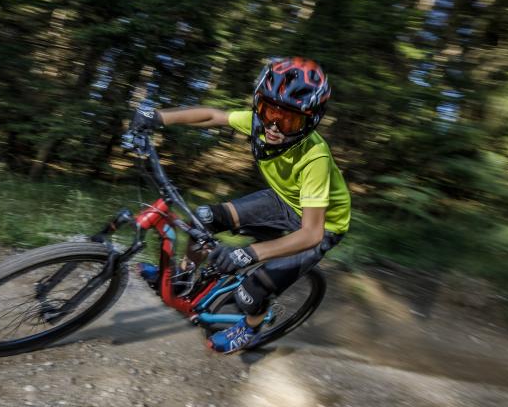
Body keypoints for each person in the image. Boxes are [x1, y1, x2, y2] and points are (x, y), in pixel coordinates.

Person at [130, 57, 351, 354]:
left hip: (321, 225)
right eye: (269, 110)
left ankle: (251, 326)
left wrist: (249, 253)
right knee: (204, 219)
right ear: (259, 103)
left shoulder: (315, 158)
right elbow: (212, 116)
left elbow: (311, 234)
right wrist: (157, 117)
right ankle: (182, 278)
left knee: (253, 291)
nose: (274, 126)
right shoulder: (259, 123)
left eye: (288, 120)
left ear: (309, 121)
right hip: (284, 200)